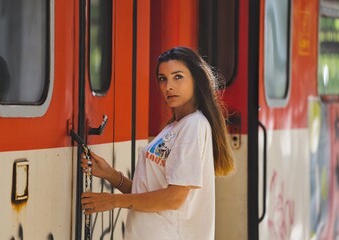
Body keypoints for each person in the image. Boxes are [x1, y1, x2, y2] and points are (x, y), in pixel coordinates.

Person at [81, 46, 235, 240]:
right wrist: (111, 175)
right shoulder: (175, 126)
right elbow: (150, 192)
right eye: (163, 79)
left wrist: (114, 201)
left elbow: (174, 198)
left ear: (196, 80)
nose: (168, 86)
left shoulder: (194, 126)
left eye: (177, 77)